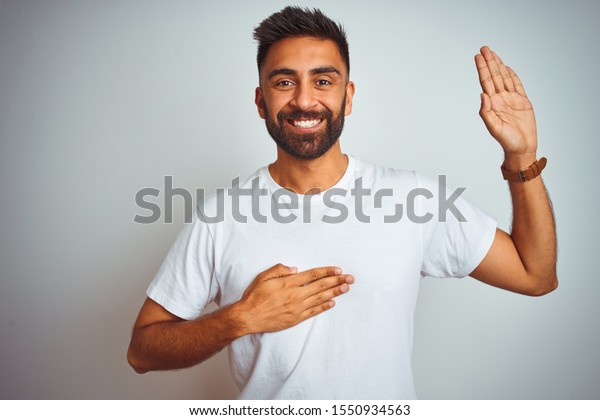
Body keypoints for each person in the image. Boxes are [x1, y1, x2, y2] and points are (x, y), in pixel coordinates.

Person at [127, 6, 557, 399]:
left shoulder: (414, 199)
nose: (303, 99)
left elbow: (534, 275)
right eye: (283, 82)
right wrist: (240, 318)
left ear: (347, 96)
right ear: (261, 101)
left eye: (323, 80)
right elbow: (142, 351)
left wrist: (520, 156)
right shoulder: (219, 218)